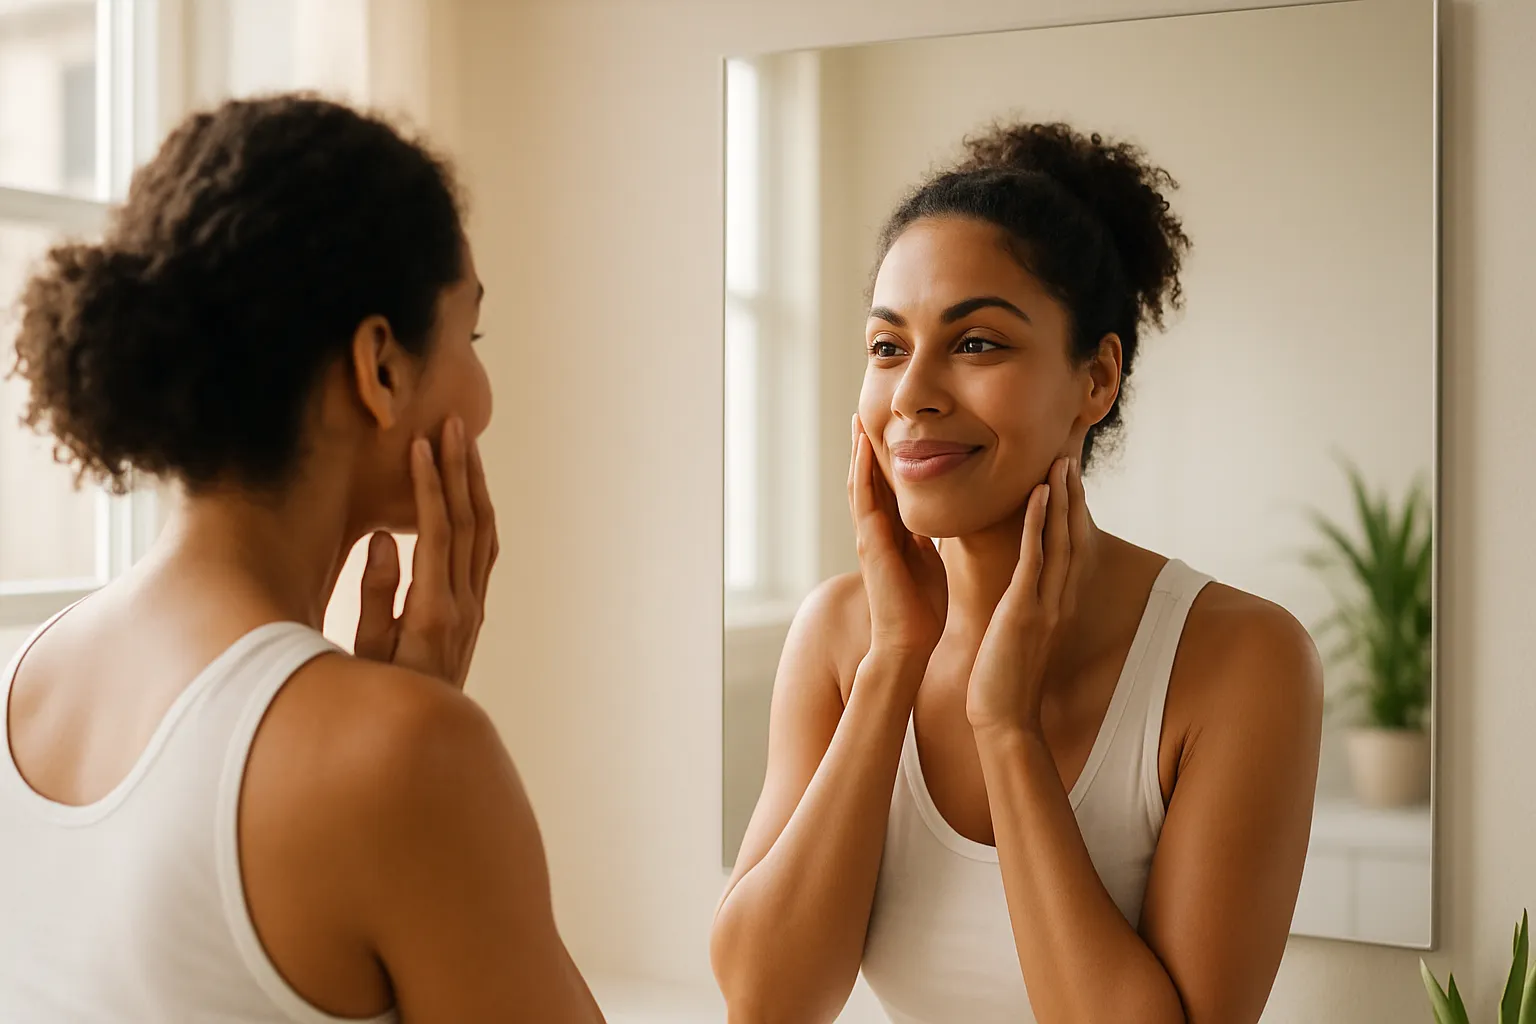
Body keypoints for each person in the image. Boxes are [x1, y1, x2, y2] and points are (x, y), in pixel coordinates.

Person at [0, 95, 603, 1023]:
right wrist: (417, 735)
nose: (483, 398)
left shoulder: (20, 678)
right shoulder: (405, 755)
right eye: (470, 336)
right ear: (380, 367)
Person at [711, 121, 1324, 1024]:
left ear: (1097, 379)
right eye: (887, 347)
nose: (911, 394)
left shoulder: (1242, 660)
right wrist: (892, 664)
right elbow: (768, 1003)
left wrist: (1007, 729)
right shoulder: (841, 638)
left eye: (976, 344)